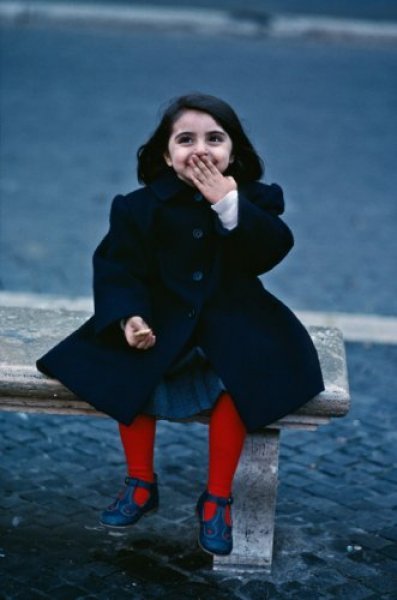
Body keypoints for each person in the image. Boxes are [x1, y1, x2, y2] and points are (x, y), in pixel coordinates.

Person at [37, 93, 324, 557]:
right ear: (166, 156)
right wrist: (129, 316)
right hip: (161, 319)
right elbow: (118, 268)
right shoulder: (138, 207)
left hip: (235, 321)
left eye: (215, 138)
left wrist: (229, 205)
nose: (201, 149)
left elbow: (271, 250)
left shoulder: (254, 199)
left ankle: (216, 498)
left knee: (240, 382)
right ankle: (140, 482)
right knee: (128, 370)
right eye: (185, 139)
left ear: (235, 152)